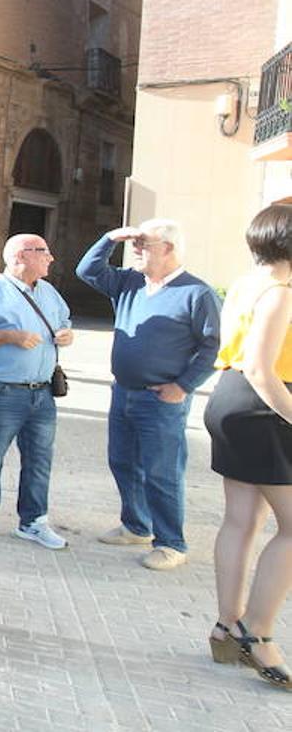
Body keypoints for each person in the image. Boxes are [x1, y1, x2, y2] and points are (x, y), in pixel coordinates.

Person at [77, 219, 221, 570]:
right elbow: (87, 270)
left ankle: (171, 542)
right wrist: (111, 237)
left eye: (144, 244)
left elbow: (214, 345)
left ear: (168, 249)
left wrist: (183, 386)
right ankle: (136, 525)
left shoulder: (197, 293)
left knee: (162, 471)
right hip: (123, 391)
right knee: (122, 462)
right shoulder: (129, 283)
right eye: (134, 243)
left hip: (161, 400)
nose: (136, 249)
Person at [205, 204, 292, 689]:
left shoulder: (245, 284)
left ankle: (226, 626)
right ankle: (257, 635)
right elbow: (263, 368)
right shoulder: (279, 292)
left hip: (231, 397)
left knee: (243, 519)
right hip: (263, 404)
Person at [0, 233, 73, 549]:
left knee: (39, 459)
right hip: (4, 391)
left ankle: (33, 521)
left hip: (44, 392)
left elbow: (65, 324)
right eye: (44, 252)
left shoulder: (49, 292)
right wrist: (10, 337)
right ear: (21, 255)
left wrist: (66, 336)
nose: (50, 258)